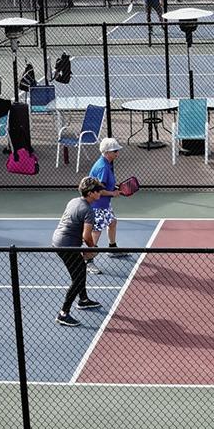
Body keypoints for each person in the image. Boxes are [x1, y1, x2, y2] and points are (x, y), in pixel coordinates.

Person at [53, 177, 106, 327]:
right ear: (90, 193)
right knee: (78, 278)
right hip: (68, 246)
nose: (100, 192)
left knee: (80, 270)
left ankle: (83, 299)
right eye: (97, 190)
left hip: (59, 241)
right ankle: (63, 313)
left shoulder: (73, 201)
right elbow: (86, 236)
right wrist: (92, 248)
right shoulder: (88, 210)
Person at [88, 137, 124, 264]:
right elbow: (99, 190)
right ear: (107, 152)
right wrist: (113, 193)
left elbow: (105, 185)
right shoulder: (103, 167)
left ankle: (112, 248)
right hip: (97, 206)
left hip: (104, 204)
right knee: (96, 232)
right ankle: (89, 260)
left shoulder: (106, 163)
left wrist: (113, 187)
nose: (117, 153)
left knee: (112, 222)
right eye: (115, 151)